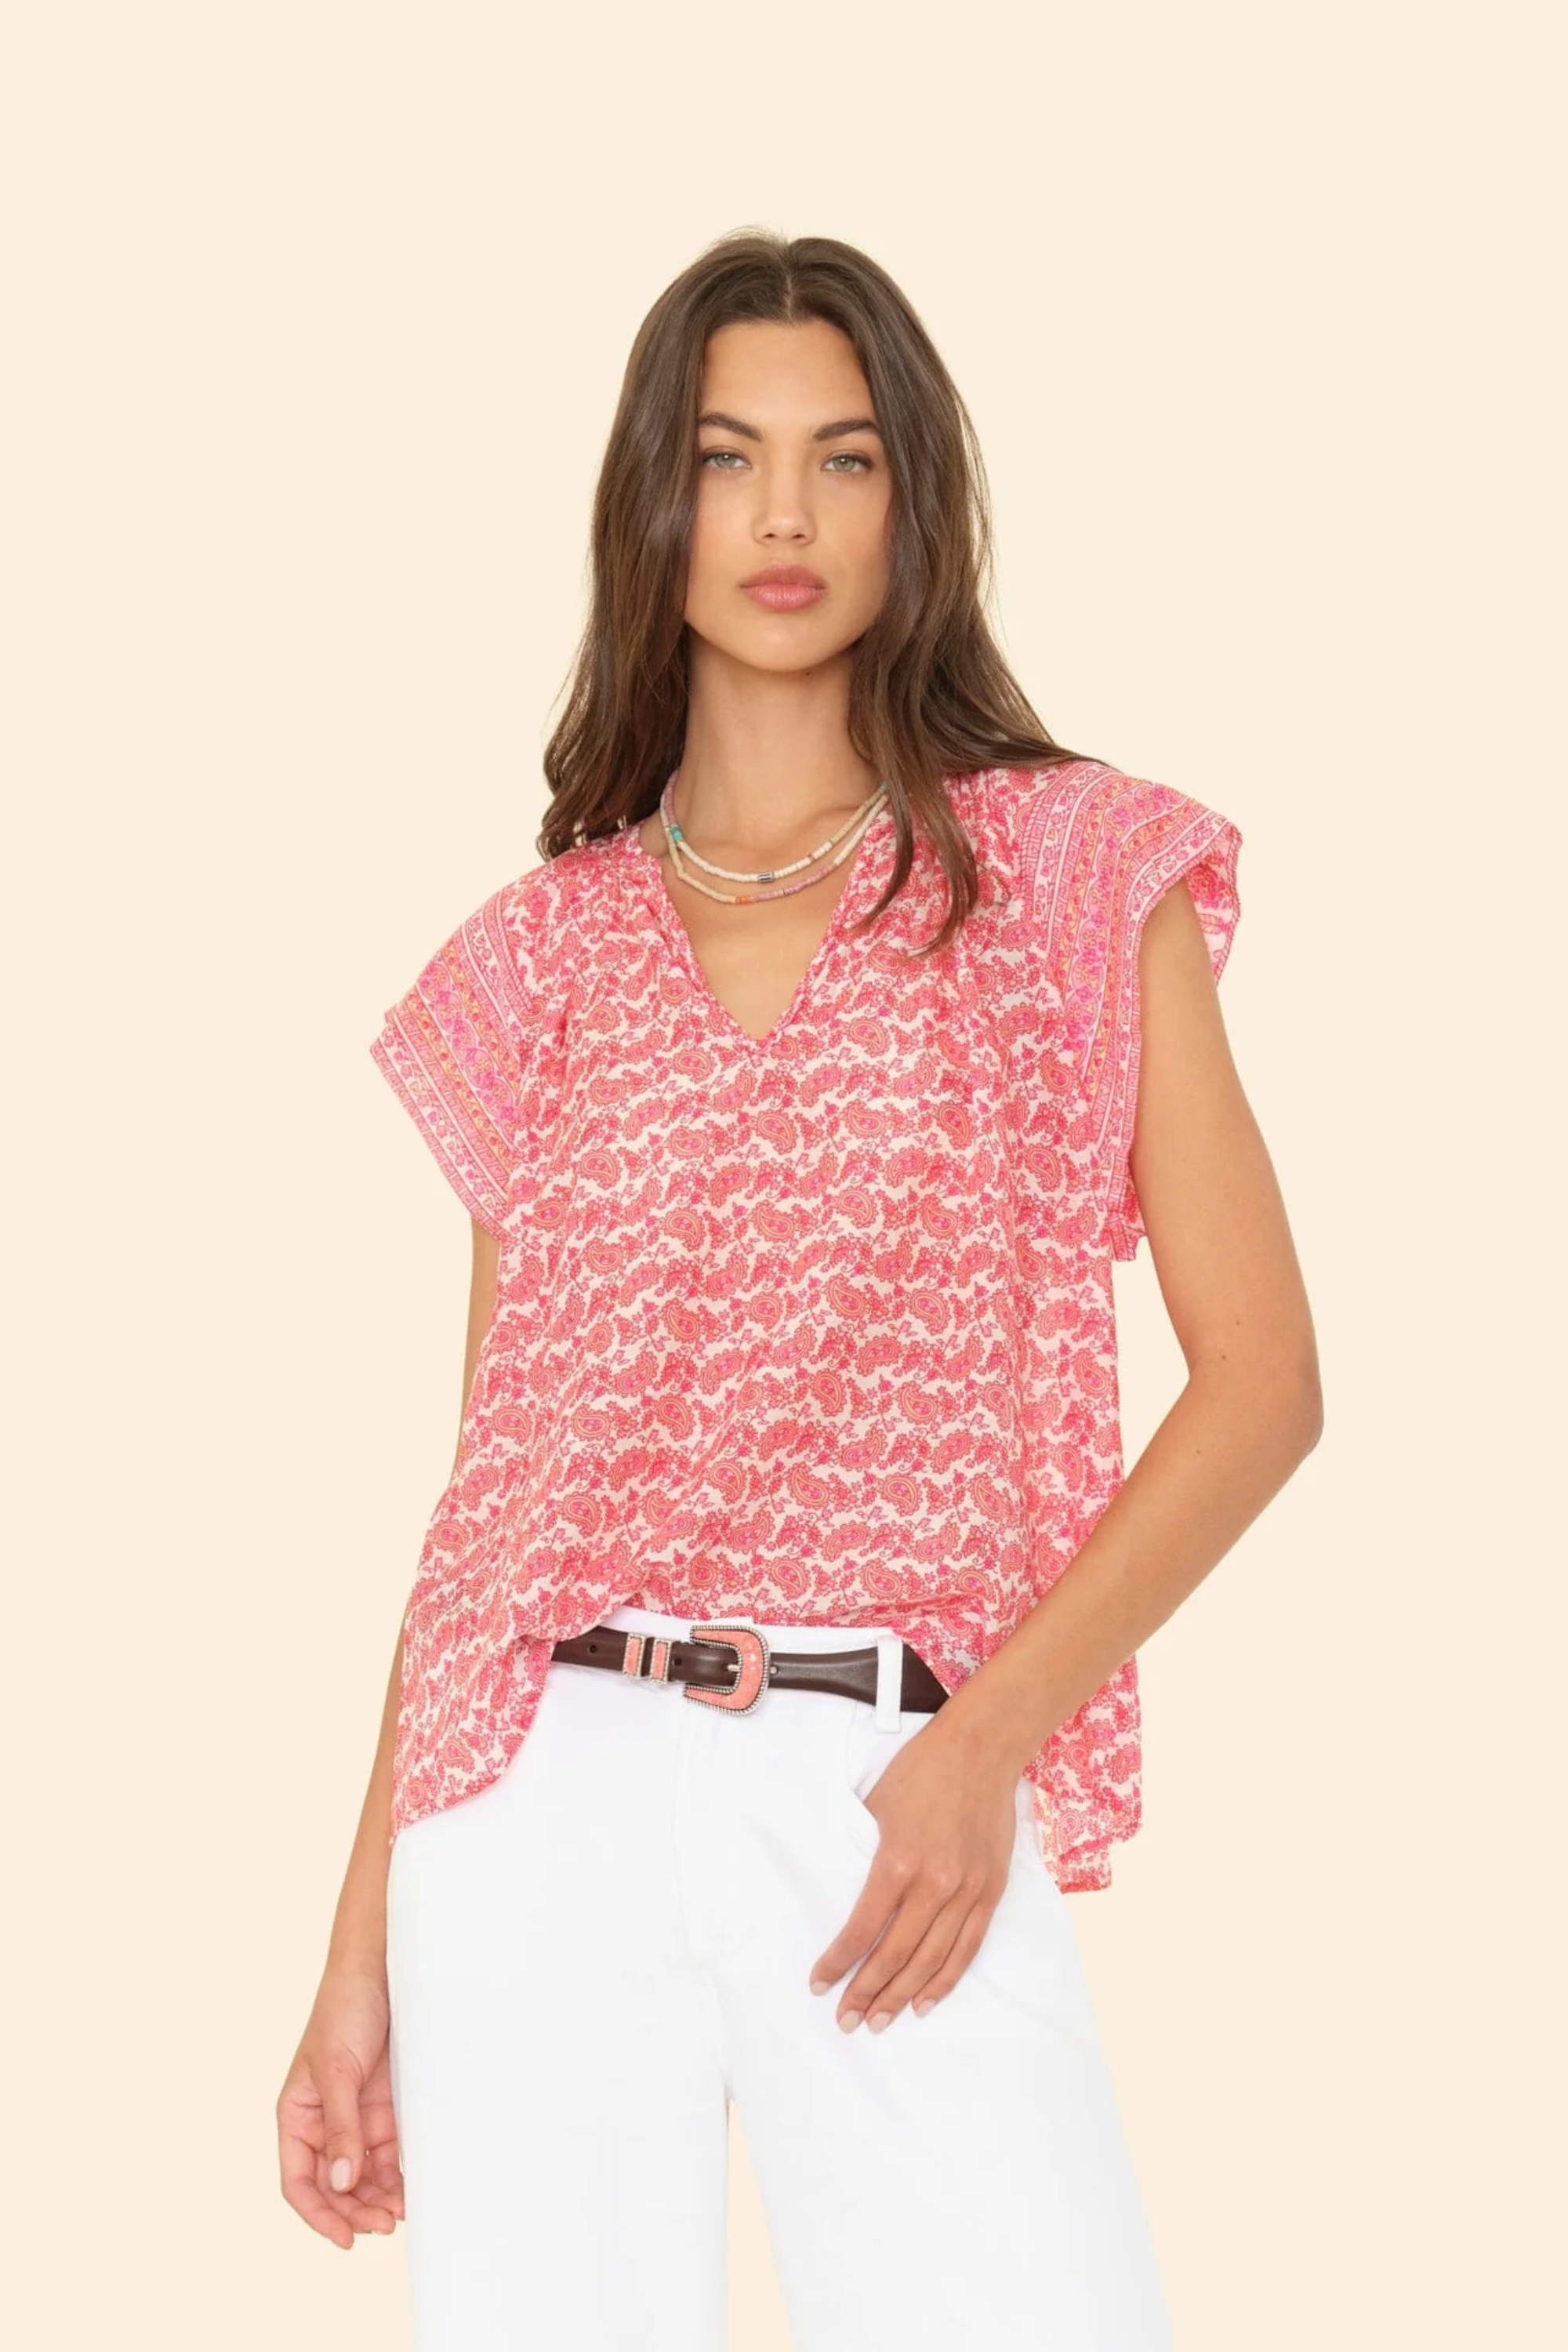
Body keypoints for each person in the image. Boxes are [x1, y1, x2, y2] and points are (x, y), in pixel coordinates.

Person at [276, 230, 1322, 2350]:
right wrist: (357, 1946)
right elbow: (494, 1493)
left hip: (891, 1780)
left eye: (843, 459)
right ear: (648, 508)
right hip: (536, 1793)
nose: (781, 515)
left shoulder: (1067, 875)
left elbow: (1266, 1385)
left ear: (911, 504)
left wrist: (987, 1740)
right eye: (725, 457)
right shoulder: (540, 960)